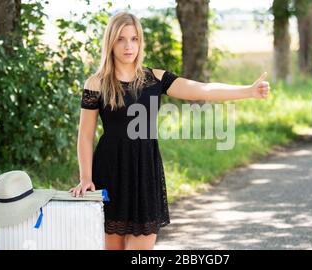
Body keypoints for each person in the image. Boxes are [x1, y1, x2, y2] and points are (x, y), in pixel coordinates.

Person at [69, 11, 270, 250]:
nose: (128, 46)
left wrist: (248, 91)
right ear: (110, 41)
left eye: (134, 39)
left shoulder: (155, 79)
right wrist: (86, 178)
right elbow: (85, 134)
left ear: (140, 42)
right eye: (121, 39)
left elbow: (202, 90)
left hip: (145, 171)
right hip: (110, 171)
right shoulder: (97, 83)